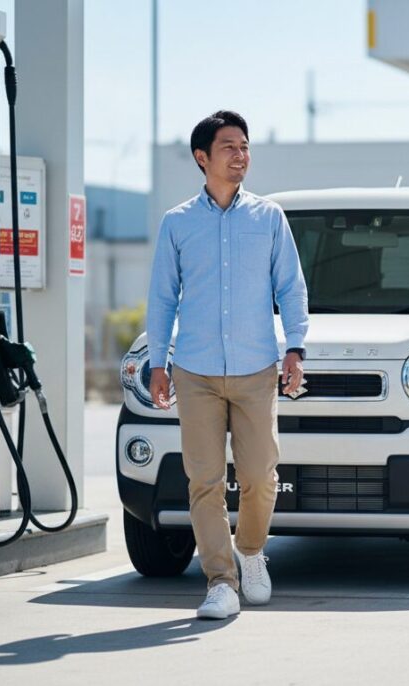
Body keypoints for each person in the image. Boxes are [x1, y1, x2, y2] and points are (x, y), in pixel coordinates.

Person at [146, 110, 308, 620]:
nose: (241, 156)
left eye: (245, 147)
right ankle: (221, 582)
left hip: (256, 368)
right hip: (194, 371)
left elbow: (291, 287)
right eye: (229, 147)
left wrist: (296, 348)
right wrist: (157, 363)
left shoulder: (269, 217)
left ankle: (252, 551)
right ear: (202, 157)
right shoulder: (177, 222)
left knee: (261, 475)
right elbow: (162, 298)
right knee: (205, 481)